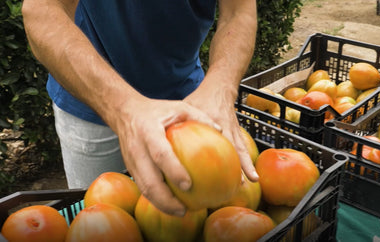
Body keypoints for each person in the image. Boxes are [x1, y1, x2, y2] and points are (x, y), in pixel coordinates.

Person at [21, 0, 258, 217]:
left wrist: (222, 86)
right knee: (100, 216)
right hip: (89, 103)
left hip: (190, 99)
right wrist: (123, 110)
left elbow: (238, 12)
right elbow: (43, 11)